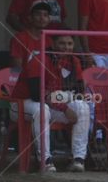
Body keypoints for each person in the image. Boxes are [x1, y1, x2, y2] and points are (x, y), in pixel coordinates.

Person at [12, 26, 91, 173]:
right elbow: (37, 95)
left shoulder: (74, 61)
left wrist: (66, 99)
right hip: (22, 104)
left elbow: (79, 91)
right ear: (53, 44)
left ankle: (78, 159)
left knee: (82, 107)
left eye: (69, 44)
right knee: (42, 109)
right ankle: (46, 161)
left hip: (52, 103)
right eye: (62, 43)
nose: (66, 47)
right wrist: (65, 107)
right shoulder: (39, 58)